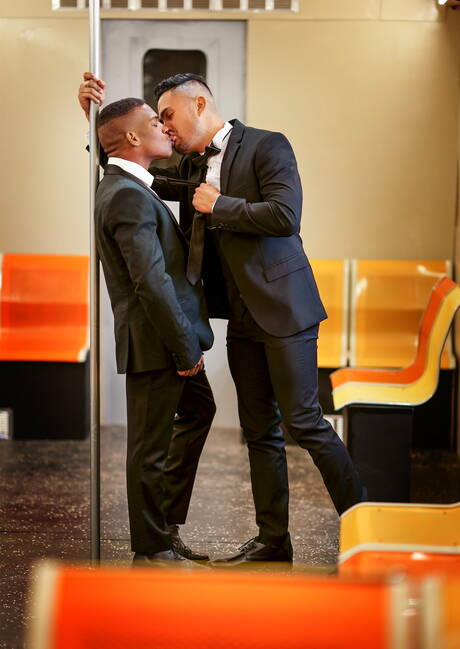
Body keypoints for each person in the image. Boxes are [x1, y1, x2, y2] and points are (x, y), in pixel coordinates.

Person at [80, 73, 365, 566]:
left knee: (305, 423)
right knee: (260, 432)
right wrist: (90, 121)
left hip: (286, 309)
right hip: (240, 319)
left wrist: (221, 206)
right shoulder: (190, 165)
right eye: (157, 119)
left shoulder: (267, 145)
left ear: (199, 103)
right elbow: (128, 168)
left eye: (168, 114)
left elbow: (286, 215)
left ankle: (370, 528)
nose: (165, 127)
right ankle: (273, 541)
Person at [93, 96, 215, 565]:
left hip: (168, 339)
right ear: (131, 137)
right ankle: (152, 549)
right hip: (157, 342)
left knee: (199, 410)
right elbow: (151, 281)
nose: (164, 128)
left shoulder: (130, 185)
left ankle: (164, 526)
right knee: (148, 447)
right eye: (153, 121)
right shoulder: (125, 195)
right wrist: (185, 349)